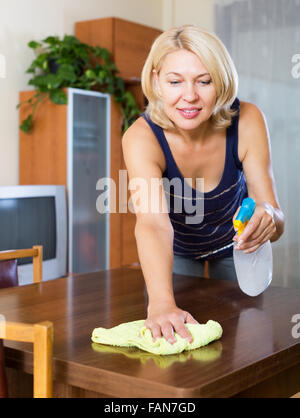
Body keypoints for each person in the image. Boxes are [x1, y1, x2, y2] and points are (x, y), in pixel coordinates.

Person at [122, 25, 284, 345]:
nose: (190, 96)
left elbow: (275, 218)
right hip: (176, 251)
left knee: (248, 338)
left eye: (204, 81)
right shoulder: (141, 138)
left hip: (239, 247)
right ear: (156, 80)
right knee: (179, 338)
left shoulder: (248, 119)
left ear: (221, 81)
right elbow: (153, 225)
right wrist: (162, 303)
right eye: (174, 81)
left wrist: (268, 217)